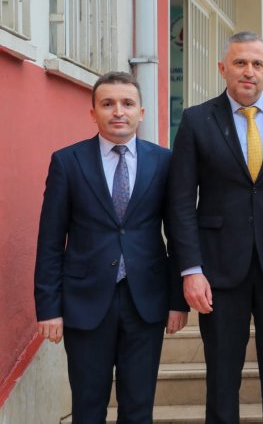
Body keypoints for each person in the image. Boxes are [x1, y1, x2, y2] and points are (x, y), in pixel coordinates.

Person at [168, 32, 263, 424]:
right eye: (239, 63)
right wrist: (190, 269)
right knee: (222, 378)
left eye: (257, 64)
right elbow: (181, 202)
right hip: (218, 270)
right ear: (223, 68)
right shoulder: (197, 120)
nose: (248, 71)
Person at [34, 71, 188, 424]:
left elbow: (178, 234)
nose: (118, 111)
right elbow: (50, 241)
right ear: (93, 113)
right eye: (108, 104)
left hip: (145, 302)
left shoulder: (164, 162)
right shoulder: (67, 162)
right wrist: (48, 308)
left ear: (141, 112)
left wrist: (177, 300)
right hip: (84, 303)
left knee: (138, 409)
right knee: (88, 409)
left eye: (127, 103)